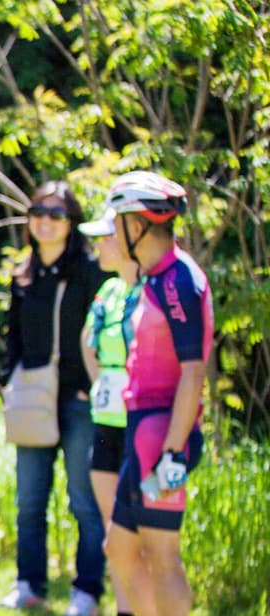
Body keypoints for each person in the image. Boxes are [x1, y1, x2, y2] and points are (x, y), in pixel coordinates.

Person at [0, 181, 111, 614]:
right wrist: (9, 382)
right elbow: (14, 338)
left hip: (78, 402)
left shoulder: (87, 269)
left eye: (56, 214)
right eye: (38, 212)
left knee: (84, 500)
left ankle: (87, 591)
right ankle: (29, 583)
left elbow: (97, 333)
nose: (44, 221)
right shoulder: (23, 273)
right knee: (29, 499)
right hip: (32, 399)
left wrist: (88, 382)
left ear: (72, 222)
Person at [100, 171, 209, 616]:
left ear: (138, 224)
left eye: (118, 219)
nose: (112, 229)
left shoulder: (178, 280)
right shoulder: (154, 276)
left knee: (163, 556)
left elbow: (194, 370)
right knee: (120, 548)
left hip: (163, 433)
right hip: (143, 429)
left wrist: (171, 452)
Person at [77, 207, 139, 616]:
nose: (99, 245)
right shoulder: (109, 291)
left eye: (106, 236)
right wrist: (102, 381)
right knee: (113, 531)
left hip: (140, 425)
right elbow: (87, 340)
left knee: (142, 532)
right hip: (105, 423)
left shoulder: (153, 290)